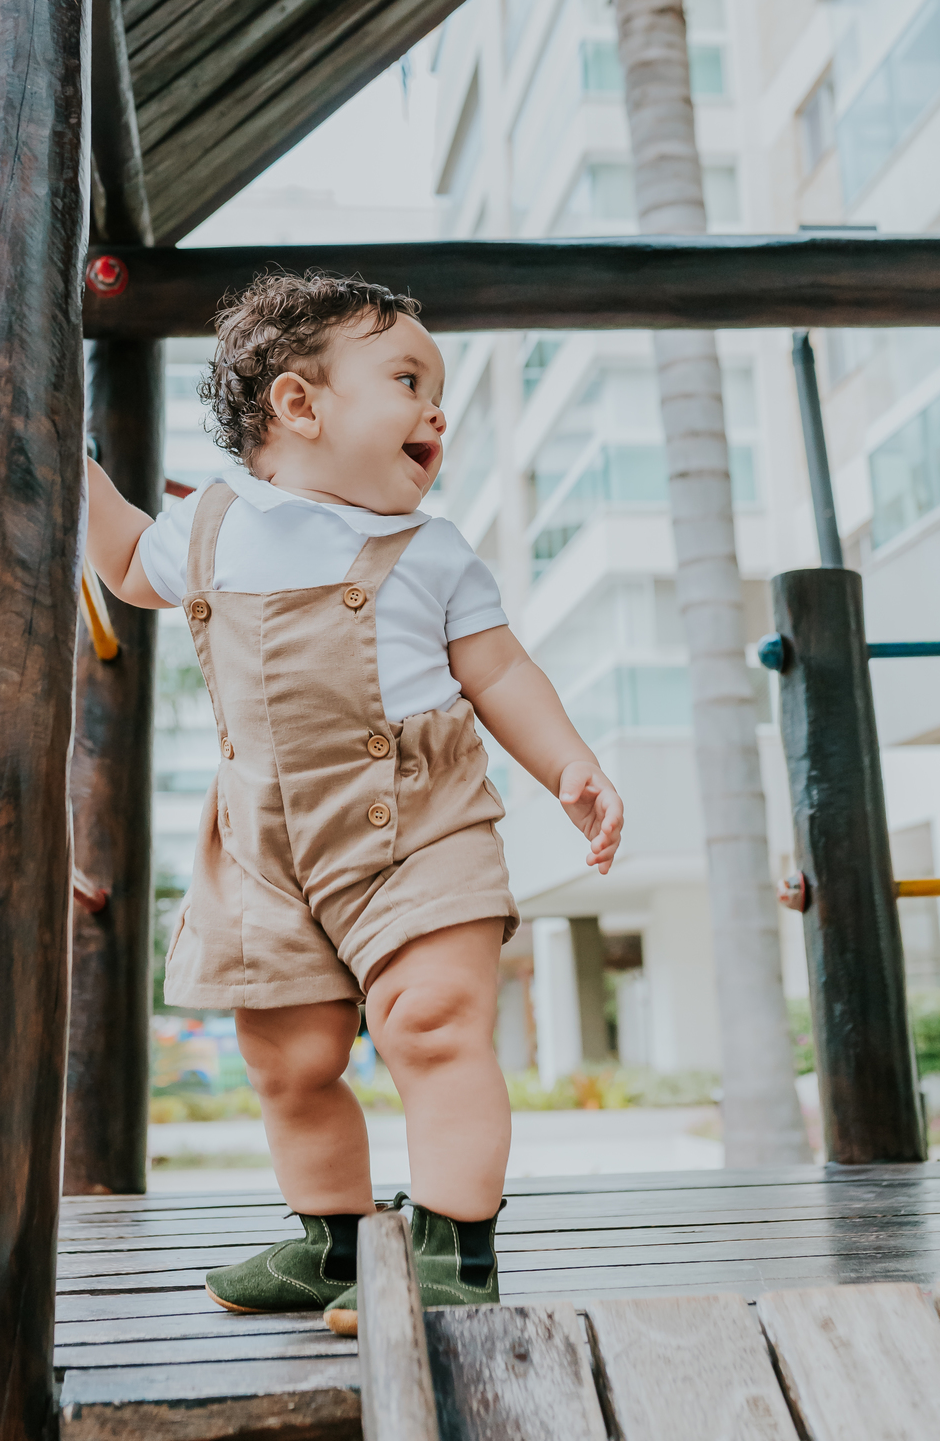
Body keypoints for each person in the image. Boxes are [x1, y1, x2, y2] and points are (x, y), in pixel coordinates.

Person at [85, 271, 623, 1335]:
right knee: (290, 1058)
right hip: (265, 844)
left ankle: (453, 1250)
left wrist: (569, 765)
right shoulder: (210, 532)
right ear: (300, 406)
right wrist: (62, 448)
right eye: (409, 380)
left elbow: (502, 674)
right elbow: (117, 554)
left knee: (431, 1023)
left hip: (418, 823)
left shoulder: (437, 553)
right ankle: (331, 1239)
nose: (437, 411)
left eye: (440, 391)